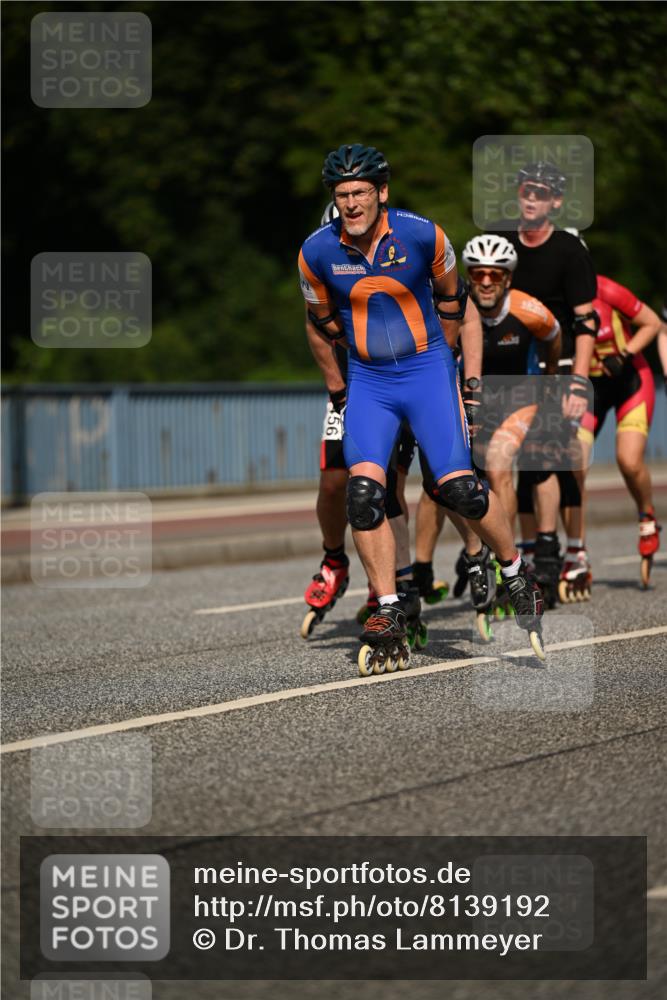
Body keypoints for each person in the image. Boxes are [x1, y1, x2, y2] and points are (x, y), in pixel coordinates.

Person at [299, 144, 545, 672]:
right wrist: (359, 362)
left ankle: (515, 568)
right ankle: (388, 608)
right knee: (364, 495)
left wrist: (448, 367)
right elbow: (321, 321)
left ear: (381, 192)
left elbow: (454, 303)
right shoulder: (315, 251)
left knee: (457, 487)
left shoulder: (423, 234)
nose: (351, 203)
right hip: (369, 380)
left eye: (360, 192)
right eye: (341, 195)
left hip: (428, 371)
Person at [496, 163, 599, 599]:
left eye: (541, 192)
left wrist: (577, 383)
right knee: (507, 464)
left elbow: (586, 323)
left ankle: (557, 549)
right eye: (526, 190)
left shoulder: (569, 250)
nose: (531, 198)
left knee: (547, 458)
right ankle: (523, 553)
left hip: (557, 367)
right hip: (510, 368)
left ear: (555, 200)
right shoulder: (501, 246)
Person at [578, 274, 662, 588]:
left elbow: (652, 323)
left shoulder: (605, 288)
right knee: (575, 465)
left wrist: (624, 353)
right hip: (591, 389)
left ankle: (647, 517)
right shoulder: (554, 299)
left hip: (629, 379)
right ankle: (577, 551)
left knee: (628, 460)